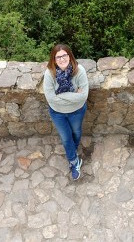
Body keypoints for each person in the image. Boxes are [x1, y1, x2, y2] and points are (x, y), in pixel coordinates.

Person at [43, 43, 89, 180]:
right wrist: (73, 95)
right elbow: (50, 98)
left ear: (69, 56)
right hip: (57, 113)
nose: (62, 59)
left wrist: (60, 96)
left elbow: (83, 96)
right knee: (65, 137)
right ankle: (74, 161)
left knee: (76, 132)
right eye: (58, 57)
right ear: (54, 59)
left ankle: (72, 151)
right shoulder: (49, 73)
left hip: (77, 111)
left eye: (64, 55)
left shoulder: (79, 71)